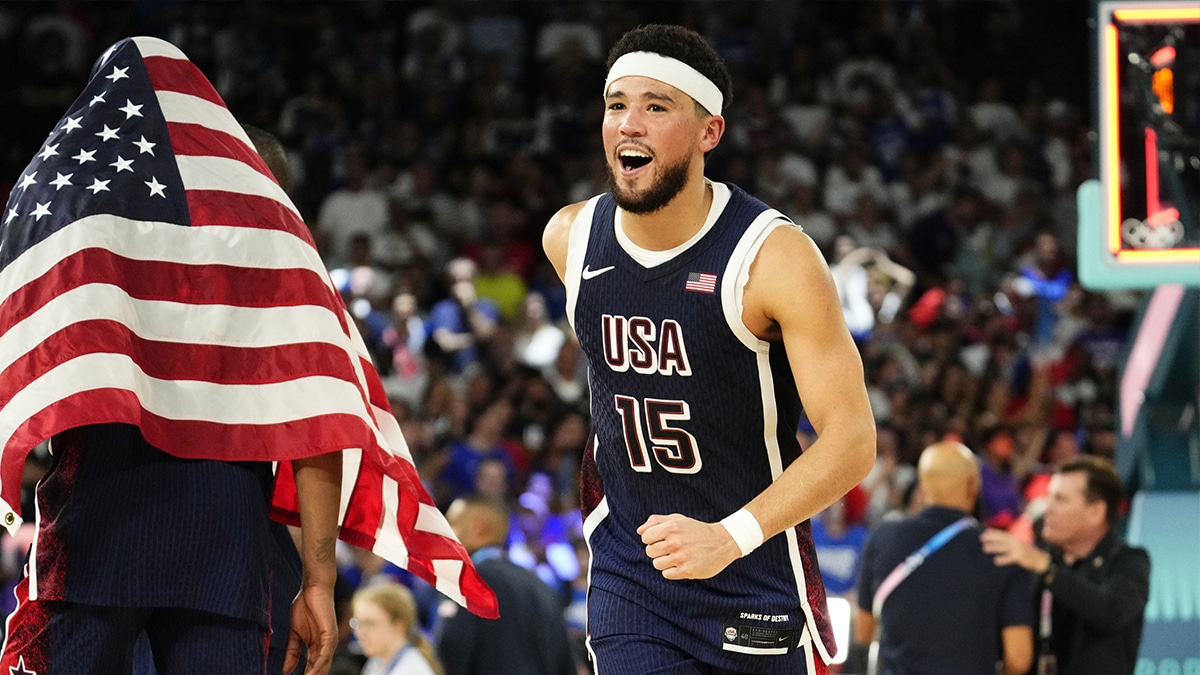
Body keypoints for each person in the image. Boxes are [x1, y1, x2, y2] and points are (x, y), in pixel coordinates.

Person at [541, 24, 876, 673]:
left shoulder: (773, 258)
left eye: (656, 106)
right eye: (616, 104)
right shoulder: (571, 237)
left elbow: (852, 439)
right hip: (632, 573)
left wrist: (731, 535)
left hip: (751, 569)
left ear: (708, 132)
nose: (629, 124)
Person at [855, 441, 1035, 675]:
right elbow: (1019, 658)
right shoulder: (1002, 550)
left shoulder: (883, 537)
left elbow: (863, 632)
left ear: (921, 486)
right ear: (973, 486)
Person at [982, 455, 1150, 675]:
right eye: (1049, 497)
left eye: (1060, 500)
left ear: (1096, 512)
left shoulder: (1128, 561)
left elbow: (1110, 612)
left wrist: (1047, 569)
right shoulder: (1038, 559)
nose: (1047, 508)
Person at [435, 495, 576, 675]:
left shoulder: (468, 580)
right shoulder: (541, 586)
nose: (445, 534)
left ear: (479, 527)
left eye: (452, 524)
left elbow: (450, 648)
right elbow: (566, 662)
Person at [352, 582, 444, 675]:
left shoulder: (412, 670)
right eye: (358, 623)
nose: (360, 632)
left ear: (399, 625)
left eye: (370, 623)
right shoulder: (376, 663)